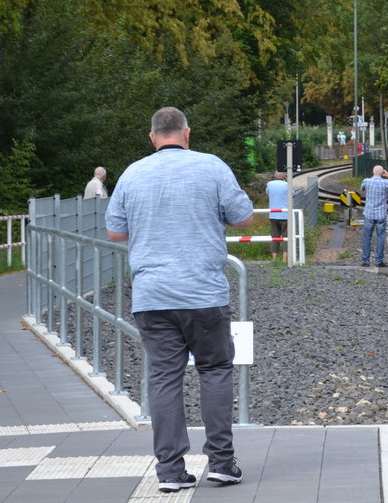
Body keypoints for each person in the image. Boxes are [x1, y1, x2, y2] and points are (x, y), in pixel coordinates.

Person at [105, 107, 254, 493]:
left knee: (164, 378)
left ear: (153, 137)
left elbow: (115, 233)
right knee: (216, 370)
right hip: (204, 293)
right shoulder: (213, 166)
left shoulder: (132, 173)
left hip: (152, 297)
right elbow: (243, 219)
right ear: (186, 133)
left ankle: (170, 472)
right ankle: (222, 463)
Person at [360, 164, 388, 267]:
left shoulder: (366, 181)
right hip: (381, 214)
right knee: (381, 237)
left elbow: (362, 188)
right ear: (382, 173)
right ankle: (379, 261)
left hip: (369, 214)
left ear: (373, 172)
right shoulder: (385, 182)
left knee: (367, 237)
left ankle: (366, 261)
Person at [265, 171, 289, 262]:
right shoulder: (287, 185)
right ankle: (284, 259)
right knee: (286, 237)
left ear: (275, 176)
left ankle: (274, 259)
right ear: (285, 176)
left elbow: (267, 193)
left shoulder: (269, 184)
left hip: (273, 214)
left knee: (275, 237)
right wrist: (287, 181)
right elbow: (293, 194)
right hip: (285, 215)